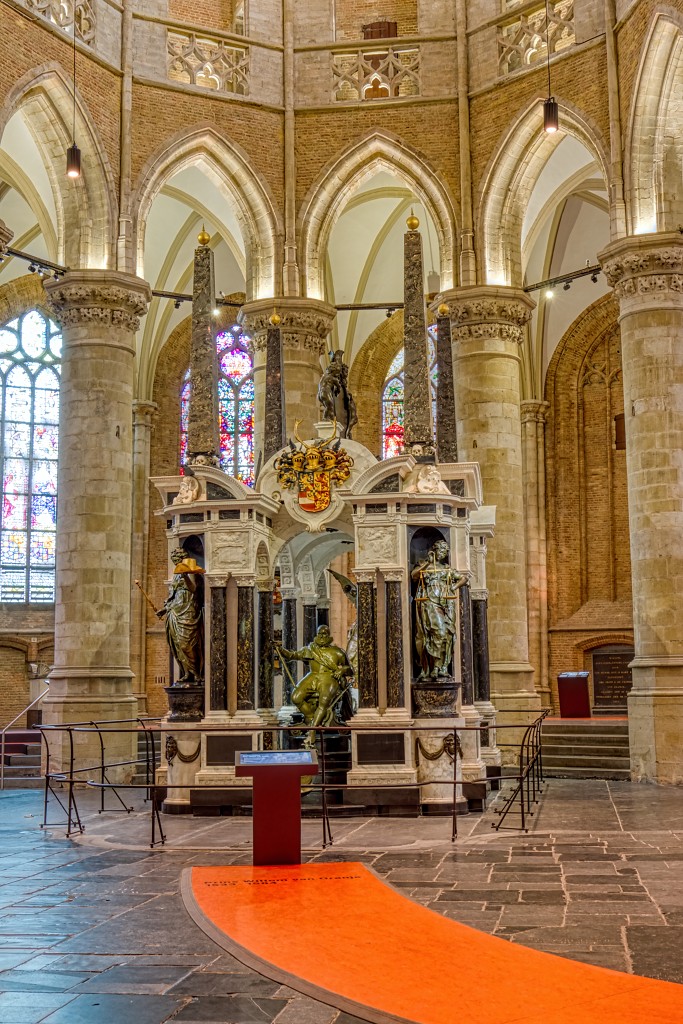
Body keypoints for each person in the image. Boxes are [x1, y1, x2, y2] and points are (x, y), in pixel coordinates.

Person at [277, 625, 353, 747]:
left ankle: (312, 732)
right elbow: (292, 656)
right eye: (320, 634)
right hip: (312, 676)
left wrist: (342, 670)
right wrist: (279, 649)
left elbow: (350, 670)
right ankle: (313, 718)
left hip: (329, 678)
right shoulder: (310, 649)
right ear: (317, 635)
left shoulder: (338, 652)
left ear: (329, 636)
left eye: (324, 634)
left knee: (324, 702)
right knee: (296, 697)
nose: (322, 637)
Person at [411, 539, 466, 681]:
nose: (443, 553)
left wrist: (452, 588)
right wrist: (429, 563)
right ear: (433, 551)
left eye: (445, 551)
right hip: (429, 603)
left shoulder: (446, 569)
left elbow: (464, 578)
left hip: (445, 604)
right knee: (437, 632)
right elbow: (414, 575)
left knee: (447, 635)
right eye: (441, 550)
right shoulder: (425, 565)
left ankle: (440, 667)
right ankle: (432, 667)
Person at [157, 548, 205, 685]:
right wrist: (163, 610)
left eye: (177, 559)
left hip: (189, 611)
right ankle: (188, 673)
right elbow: (173, 597)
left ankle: (197, 673)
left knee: (186, 644)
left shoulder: (191, 571)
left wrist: (185, 574)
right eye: (174, 559)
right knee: (177, 645)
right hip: (175, 612)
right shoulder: (176, 576)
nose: (175, 561)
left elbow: (193, 589)